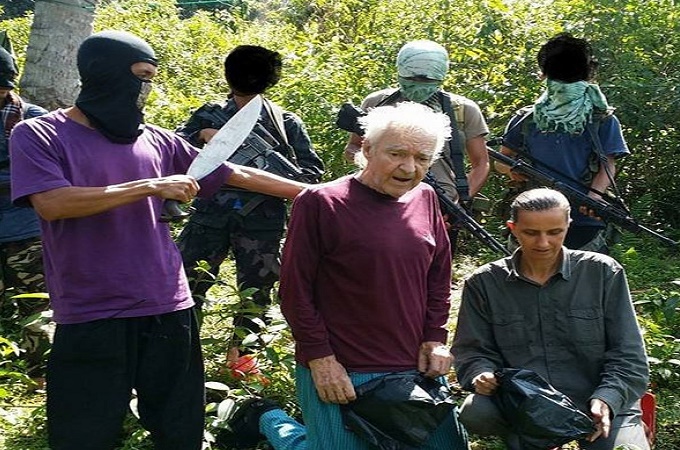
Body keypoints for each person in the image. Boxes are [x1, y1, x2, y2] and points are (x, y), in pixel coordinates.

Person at [9, 30, 307, 450]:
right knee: (84, 432)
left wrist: (314, 193)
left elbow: (233, 173)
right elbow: (53, 203)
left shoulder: (158, 139)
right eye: (140, 76)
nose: (145, 89)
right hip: (91, 308)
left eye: (151, 78)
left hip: (167, 303)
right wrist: (150, 186)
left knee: (179, 428)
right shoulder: (39, 133)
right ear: (103, 73)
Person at [220, 102, 469, 450]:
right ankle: (265, 417)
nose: (409, 168)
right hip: (345, 363)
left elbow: (439, 275)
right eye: (396, 153)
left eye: (422, 158)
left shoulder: (425, 197)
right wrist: (321, 359)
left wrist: (435, 337)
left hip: (414, 362)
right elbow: (294, 291)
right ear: (367, 148)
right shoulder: (321, 202)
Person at [451, 188, 650, 450]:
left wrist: (608, 398)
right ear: (512, 228)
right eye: (531, 233)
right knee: (476, 412)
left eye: (554, 232)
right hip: (527, 402)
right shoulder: (484, 282)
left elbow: (629, 354)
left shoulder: (602, 272)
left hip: (596, 397)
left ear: (568, 226)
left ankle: (630, 427)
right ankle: (529, 435)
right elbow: (471, 350)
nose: (543, 243)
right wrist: (481, 373)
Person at [175, 45, 324, 361]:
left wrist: (267, 172)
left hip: (261, 220)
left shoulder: (285, 123)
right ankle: (179, 356)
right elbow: (175, 153)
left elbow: (310, 175)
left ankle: (242, 365)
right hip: (210, 215)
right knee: (186, 286)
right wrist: (203, 136)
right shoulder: (209, 114)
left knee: (256, 297)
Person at [496, 33, 629, 253]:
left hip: (583, 222)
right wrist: (512, 170)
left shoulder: (602, 119)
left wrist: (593, 197)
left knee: (584, 274)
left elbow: (607, 165)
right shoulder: (526, 119)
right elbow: (501, 159)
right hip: (532, 219)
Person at [344, 39, 489, 208]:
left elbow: (481, 163)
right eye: (410, 79)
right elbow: (353, 147)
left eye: (427, 81)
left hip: (440, 200)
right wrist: (375, 162)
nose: (418, 85)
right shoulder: (377, 102)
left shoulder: (463, 109)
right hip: (375, 196)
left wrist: (458, 203)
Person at [0, 45, 49, 370]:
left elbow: (48, 172)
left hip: (27, 230)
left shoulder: (32, 119)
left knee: (38, 309)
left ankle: (40, 376)